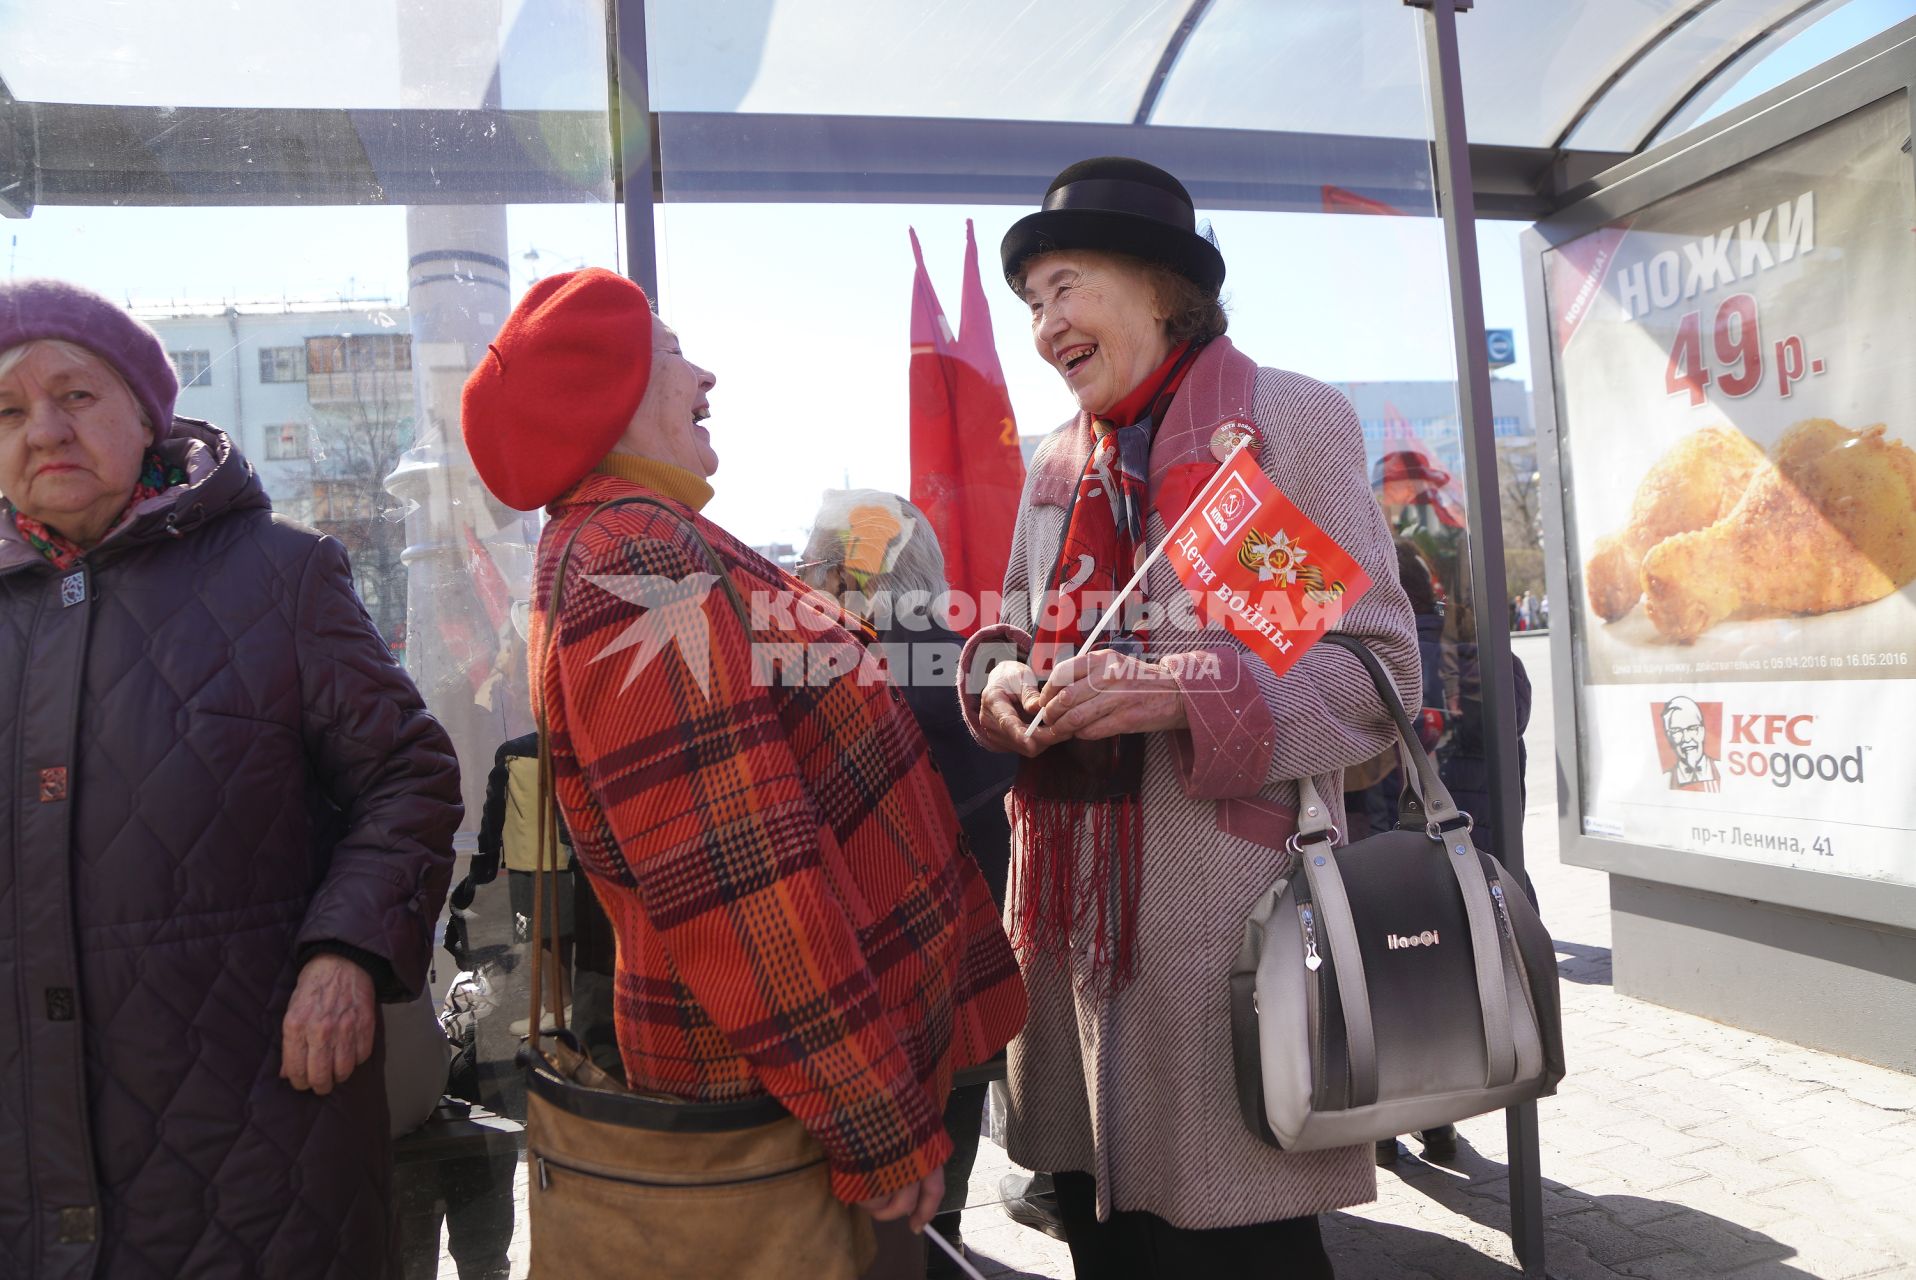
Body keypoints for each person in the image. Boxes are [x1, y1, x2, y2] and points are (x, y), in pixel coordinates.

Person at [458, 268, 1026, 1278]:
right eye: (673, 352)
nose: (703, 373)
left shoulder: (644, 537)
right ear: (610, 390)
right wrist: (873, 1115)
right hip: (778, 1096)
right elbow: (734, 873)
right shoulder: (630, 555)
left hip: (788, 1076)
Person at [959, 159, 1419, 1278]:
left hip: (1229, 939)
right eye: (1029, 303)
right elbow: (1008, 633)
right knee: (1100, 1239)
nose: (1043, 325)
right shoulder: (1056, 468)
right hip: (1065, 939)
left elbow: (1375, 671)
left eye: (1063, 286)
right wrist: (1002, 685)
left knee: (1239, 1251)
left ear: (1162, 287)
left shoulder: (1271, 431)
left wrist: (1180, 692)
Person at [0, 279, 462, 1278]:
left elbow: (408, 777)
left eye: (74, 395)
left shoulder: (279, 574)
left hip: (256, 1164)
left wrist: (346, 951)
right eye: (6, 410)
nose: (42, 430)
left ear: (143, 410)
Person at [798, 490, 1020, 1277]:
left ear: (847, 570)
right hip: (973, 974)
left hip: (866, 1001)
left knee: (883, 1238)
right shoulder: (983, 666)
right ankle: (950, 1238)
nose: (805, 576)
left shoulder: (823, 676)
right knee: (941, 1208)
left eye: (817, 561)